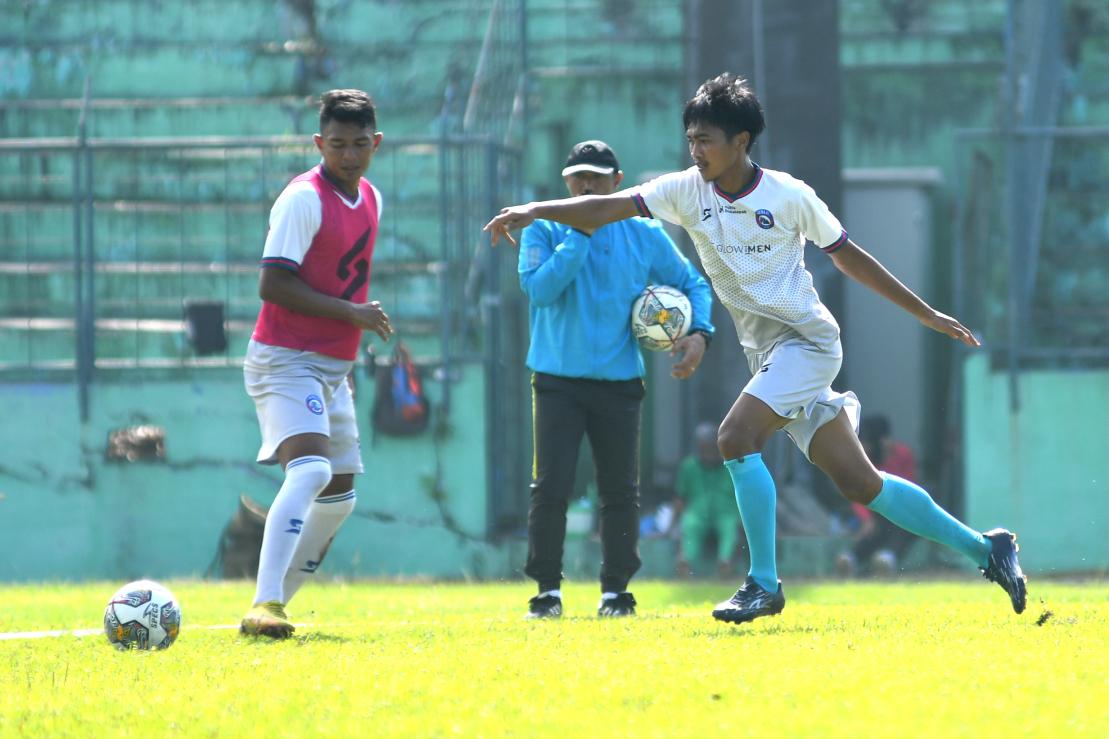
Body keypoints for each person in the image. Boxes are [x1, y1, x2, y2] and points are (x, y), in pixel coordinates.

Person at [485, 73, 1028, 624]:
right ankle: (989, 549)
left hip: (808, 344)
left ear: (741, 141)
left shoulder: (789, 196)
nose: (695, 151)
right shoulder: (683, 190)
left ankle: (763, 584)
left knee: (734, 436)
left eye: (707, 140)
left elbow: (849, 255)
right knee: (861, 483)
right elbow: (604, 209)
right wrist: (534, 210)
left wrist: (926, 314)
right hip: (769, 356)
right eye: (691, 139)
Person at [518, 140, 715, 618]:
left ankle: (617, 592)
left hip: (620, 381)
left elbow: (694, 283)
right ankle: (547, 591)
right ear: (565, 183)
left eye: (597, 178)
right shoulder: (542, 228)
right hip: (556, 379)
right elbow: (541, 290)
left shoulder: (644, 233)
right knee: (551, 486)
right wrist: (580, 235)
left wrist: (700, 333)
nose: (586, 185)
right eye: (578, 177)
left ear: (617, 182)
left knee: (620, 490)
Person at [240, 89, 393, 638]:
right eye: (337, 145)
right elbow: (273, 283)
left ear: (375, 143)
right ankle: (265, 604)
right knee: (310, 470)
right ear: (317, 143)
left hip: (332, 368)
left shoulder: (371, 196)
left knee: (339, 499)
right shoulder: (303, 198)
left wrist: (349, 326)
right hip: (285, 358)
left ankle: (273, 604)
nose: (348, 156)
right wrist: (352, 314)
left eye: (358, 144)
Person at [836, 414, 918, 576]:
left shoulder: (903, 454)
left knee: (905, 525)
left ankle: (887, 557)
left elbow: (909, 488)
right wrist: (866, 518)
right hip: (875, 508)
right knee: (875, 528)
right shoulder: (864, 460)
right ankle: (852, 558)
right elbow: (857, 491)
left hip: (900, 509)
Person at [674, 422, 742, 577]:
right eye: (704, 448)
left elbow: (744, 496)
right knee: (690, 524)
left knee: (729, 528)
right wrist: (670, 526)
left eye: (711, 447)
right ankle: (685, 561)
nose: (708, 452)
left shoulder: (731, 466)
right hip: (697, 512)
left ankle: (725, 563)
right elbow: (680, 498)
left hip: (726, 513)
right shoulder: (689, 466)